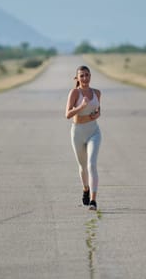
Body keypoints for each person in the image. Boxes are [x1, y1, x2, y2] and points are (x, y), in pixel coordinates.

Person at [65, 65, 102, 211]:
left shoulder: (97, 93)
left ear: (90, 76)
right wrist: (81, 106)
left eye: (87, 75)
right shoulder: (74, 93)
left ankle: (93, 200)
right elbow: (67, 114)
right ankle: (85, 188)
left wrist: (96, 115)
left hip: (94, 131)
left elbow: (98, 111)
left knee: (92, 164)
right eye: (82, 76)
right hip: (78, 132)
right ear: (77, 78)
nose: (85, 78)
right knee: (82, 166)